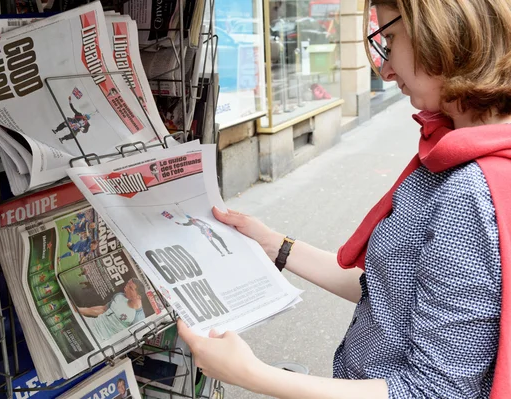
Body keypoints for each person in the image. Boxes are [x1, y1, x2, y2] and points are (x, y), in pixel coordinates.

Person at [177, 1, 511, 398]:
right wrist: (276, 245)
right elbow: (393, 290)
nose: (385, 69)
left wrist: (251, 374)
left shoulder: (469, 191)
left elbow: (432, 392)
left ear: (442, 32)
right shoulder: (457, 153)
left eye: (389, 39)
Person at [76, 278, 153, 343]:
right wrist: (78, 310)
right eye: (127, 284)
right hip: (90, 323)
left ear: (138, 296)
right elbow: (103, 309)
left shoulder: (139, 318)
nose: (125, 288)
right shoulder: (120, 296)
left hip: (100, 339)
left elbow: (127, 340)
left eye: (130, 288)